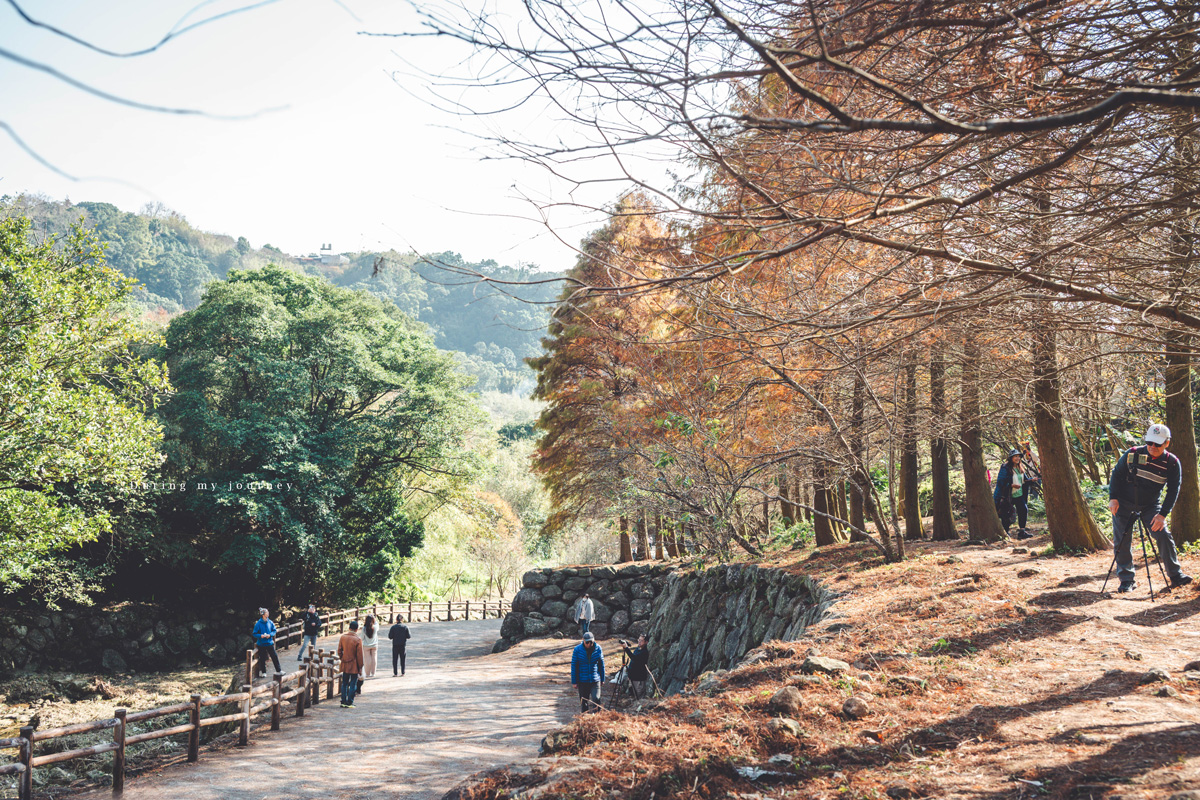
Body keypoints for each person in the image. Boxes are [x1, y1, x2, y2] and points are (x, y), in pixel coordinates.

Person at [1108, 423, 1193, 593]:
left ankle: (1176, 575)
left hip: (1150, 506)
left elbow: (1173, 491)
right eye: (1150, 443)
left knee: (1162, 534)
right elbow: (1116, 475)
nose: (1153, 447)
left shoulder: (1172, 463)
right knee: (1122, 541)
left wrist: (1162, 515)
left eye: (1158, 444)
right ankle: (1126, 580)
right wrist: (1113, 498)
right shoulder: (1132, 453)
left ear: (1167, 443)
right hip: (1123, 503)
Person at [994, 449, 1032, 540]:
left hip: (1019, 494)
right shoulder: (1005, 467)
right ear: (1011, 458)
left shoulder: (1020, 467)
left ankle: (1022, 531)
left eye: (1019, 456)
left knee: (1023, 509)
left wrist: (1031, 480)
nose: (1017, 458)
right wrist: (1011, 485)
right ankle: (1005, 532)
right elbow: (1001, 481)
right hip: (1008, 495)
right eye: (1015, 456)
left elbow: (1024, 480)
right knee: (1006, 514)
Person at [570, 631, 606, 713]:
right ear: (583, 641)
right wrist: (574, 681)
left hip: (595, 679)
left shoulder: (598, 648)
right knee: (584, 702)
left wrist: (602, 678)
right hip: (582, 680)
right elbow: (574, 666)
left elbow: (601, 665)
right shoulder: (577, 650)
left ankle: (597, 718)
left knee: (596, 699)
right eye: (587, 642)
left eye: (591, 642)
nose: (590, 644)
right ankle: (584, 719)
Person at [338, 620, 365, 707]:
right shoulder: (357, 639)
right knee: (353, 683)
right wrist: (360, 666)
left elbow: (339, 650)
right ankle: (350, 701)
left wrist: (342, 658)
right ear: (357, 629)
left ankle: (343, 701)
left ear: (349, 628)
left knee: (345, 683)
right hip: (354, 665)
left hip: (345, 663)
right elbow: (359, 655)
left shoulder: (343, 637)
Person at [251, 608, 282, 678]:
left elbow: (274, 630)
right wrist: (260, 636)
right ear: (263, 614)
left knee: (274, 656)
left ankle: (279, 670)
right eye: (267, 612)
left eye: (268, 612)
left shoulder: (270, 622)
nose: (268, 613)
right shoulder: (258, 624)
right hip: (261, 644)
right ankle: (263, 672)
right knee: (262, 658)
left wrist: (270, 635)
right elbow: (254, 633)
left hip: (269, 643)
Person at [620, 634, 650, 699]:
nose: (639, 642)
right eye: (639, 640)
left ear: (646, 642)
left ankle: (640, 708)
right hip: (633, 677)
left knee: (639, 697)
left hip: (639, 679)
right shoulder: (638, 649)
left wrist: (626, 648)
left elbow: (634, 658)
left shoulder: (644, 652)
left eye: (641, 640)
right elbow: (633, 661)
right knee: (633, 696)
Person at [361, 615, 379, 680]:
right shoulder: (375, 627)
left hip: (366, 645)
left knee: (367, 659)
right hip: (374, 645)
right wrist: (374, 619)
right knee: (374, 658)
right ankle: (373, 673)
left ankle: (367, 673)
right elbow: (377, 623)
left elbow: (362, 638)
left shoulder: (364, 628)